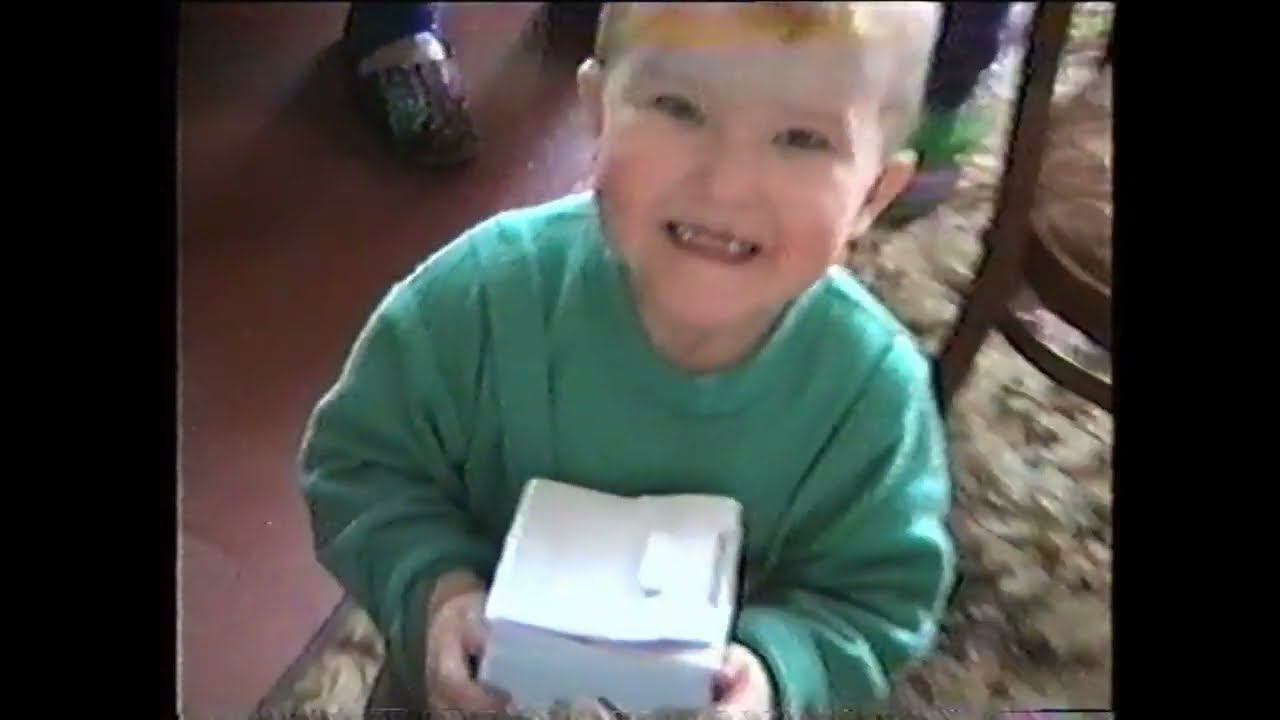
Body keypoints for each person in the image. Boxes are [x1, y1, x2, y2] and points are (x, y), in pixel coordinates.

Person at [299, 3, 956, 716]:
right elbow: (360, 467)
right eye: (680, 108)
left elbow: (874, 599)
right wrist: (437, 596)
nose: (726, 184)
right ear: (597, 112)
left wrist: (776, 670)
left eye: (802, 139)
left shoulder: (870, 396)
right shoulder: (478, 298)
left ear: (874, 194)